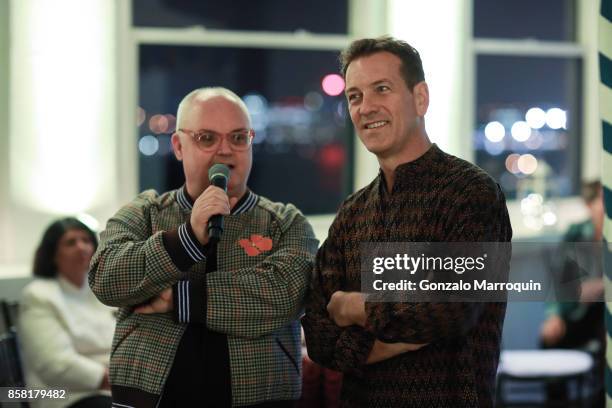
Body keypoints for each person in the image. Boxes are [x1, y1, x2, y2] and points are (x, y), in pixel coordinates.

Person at [301, 36, 512, 407]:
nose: (366, 107)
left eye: (381, 89)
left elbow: (452, 311)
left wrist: (354, 307)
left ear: (420, 98)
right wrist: (410, 325)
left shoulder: (471, 194)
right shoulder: (353, 212)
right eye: (355, 96)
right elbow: (319, 338)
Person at [89, 87, 318, 407]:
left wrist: (179, 300)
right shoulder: (144, 212)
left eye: (238, 138)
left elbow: (285, 294)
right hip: (150, 397)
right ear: (179, 146)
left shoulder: (285, 222)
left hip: (261, 397)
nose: (225, 151)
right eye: (207, 139)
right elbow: (106, 279)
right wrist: (187, 238)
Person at [19, 217, 114, 408]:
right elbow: (56, 365)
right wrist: (114, 380)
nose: (81, 247)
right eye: (71, 242)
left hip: (112, 387)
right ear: (53, 254)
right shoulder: (38, 295)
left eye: (86, 240)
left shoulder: (102, 289)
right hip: (64, 396)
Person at [540, 180, 605, 405]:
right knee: (550, 336)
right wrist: (554, 314)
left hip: (603, 314)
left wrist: (602, 286)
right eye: (601, 200)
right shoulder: (576, 234)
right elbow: (559, 282)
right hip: (579, 312)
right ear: (590, 205)